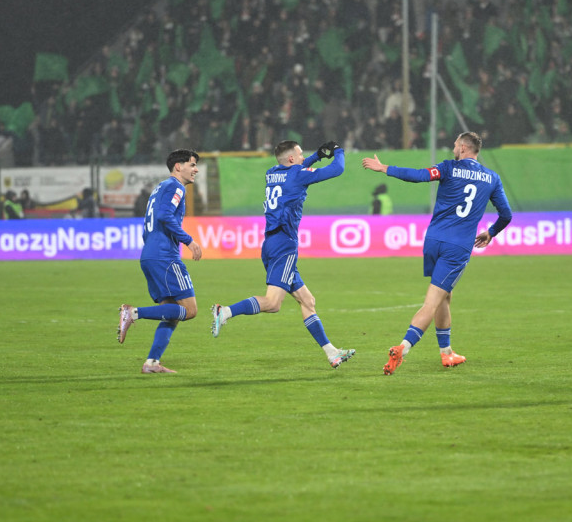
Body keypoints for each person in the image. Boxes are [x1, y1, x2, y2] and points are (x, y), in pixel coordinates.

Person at [362, 131, 512, 375]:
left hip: (433, 241)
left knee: (444, 296)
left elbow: (419, 175)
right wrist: (491, 232)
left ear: (463, 148)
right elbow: (506, 215)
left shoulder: (448, 168)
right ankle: (403, 348)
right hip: (457, 247)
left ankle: (447, 353)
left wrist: (384, 168)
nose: (453, 148)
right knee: (431, 302)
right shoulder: (492, 178)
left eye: (455, 144)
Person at [210, 140, 355, 369]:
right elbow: (337, 169)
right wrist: (338, 150)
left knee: (307, 300)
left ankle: (332, 353)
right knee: (272, 303)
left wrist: (316, 155)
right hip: (284, 246)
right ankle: (225, 311)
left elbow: (296, 168)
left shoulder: (272, 173)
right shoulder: (297, 174)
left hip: (270, 243)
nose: (302, 157)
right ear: (291, 159)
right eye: (299, 154)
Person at [116, 149, 203, 374]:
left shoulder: (159, 188)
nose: (196, 169)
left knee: (171, 312)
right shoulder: (176, 187)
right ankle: (133, 313)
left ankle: (152, 363)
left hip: (151, 254)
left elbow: (153, 222)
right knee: (190, 310)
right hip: (165, 257)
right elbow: (164, 216)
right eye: (192, 164)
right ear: (178, 167)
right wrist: (188, 241)